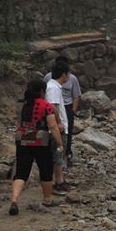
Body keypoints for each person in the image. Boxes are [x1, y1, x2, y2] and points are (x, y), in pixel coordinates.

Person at [9, 79, 65, 214]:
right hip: (41, 142)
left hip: (22, 140)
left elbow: (19, 123)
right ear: (41, 91)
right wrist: (59, 143)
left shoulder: (22, 105)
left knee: (21, 172)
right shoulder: (46, 106)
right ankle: (47, 199)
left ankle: (14, 199)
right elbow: (52, 126)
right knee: (45, 170)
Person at [43, 56, 81, 168]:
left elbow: (76, 95)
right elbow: (52, 105)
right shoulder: (50, 82)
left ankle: (66, 155)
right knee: (59, 137)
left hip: (67, 107)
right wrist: (59, 120)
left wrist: (73, 110)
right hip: (56, 111)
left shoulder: (72, 79)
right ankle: (59, 162)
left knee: (67, 135)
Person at [46, 61, 71, 194]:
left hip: (58, 126)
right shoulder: (53, 88)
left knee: (60, 154)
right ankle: (58, 183)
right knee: (58, 153)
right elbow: (53, 106)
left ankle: (60, 180)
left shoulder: (54, 86)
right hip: (56, 128)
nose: (69, 76)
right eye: (68, 73)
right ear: (63, 74)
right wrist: (59, 122)